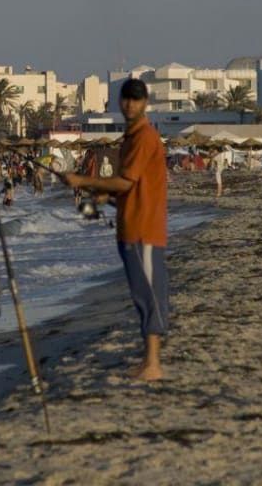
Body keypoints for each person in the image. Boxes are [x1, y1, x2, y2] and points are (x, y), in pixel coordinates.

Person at [60, 78, 168, 381]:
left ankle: (153, 364)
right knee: (142, 295)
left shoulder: (144, 137)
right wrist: (105, 196)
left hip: (144, 229)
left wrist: (82, 180)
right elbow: (131, 189)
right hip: (131, 226)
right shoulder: (131, 137)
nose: (130, 104)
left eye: (136, 99)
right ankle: (149, 360)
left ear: (145, 103)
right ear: (120, 101)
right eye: (126, 98)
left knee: (150, 295)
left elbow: (126, 182)